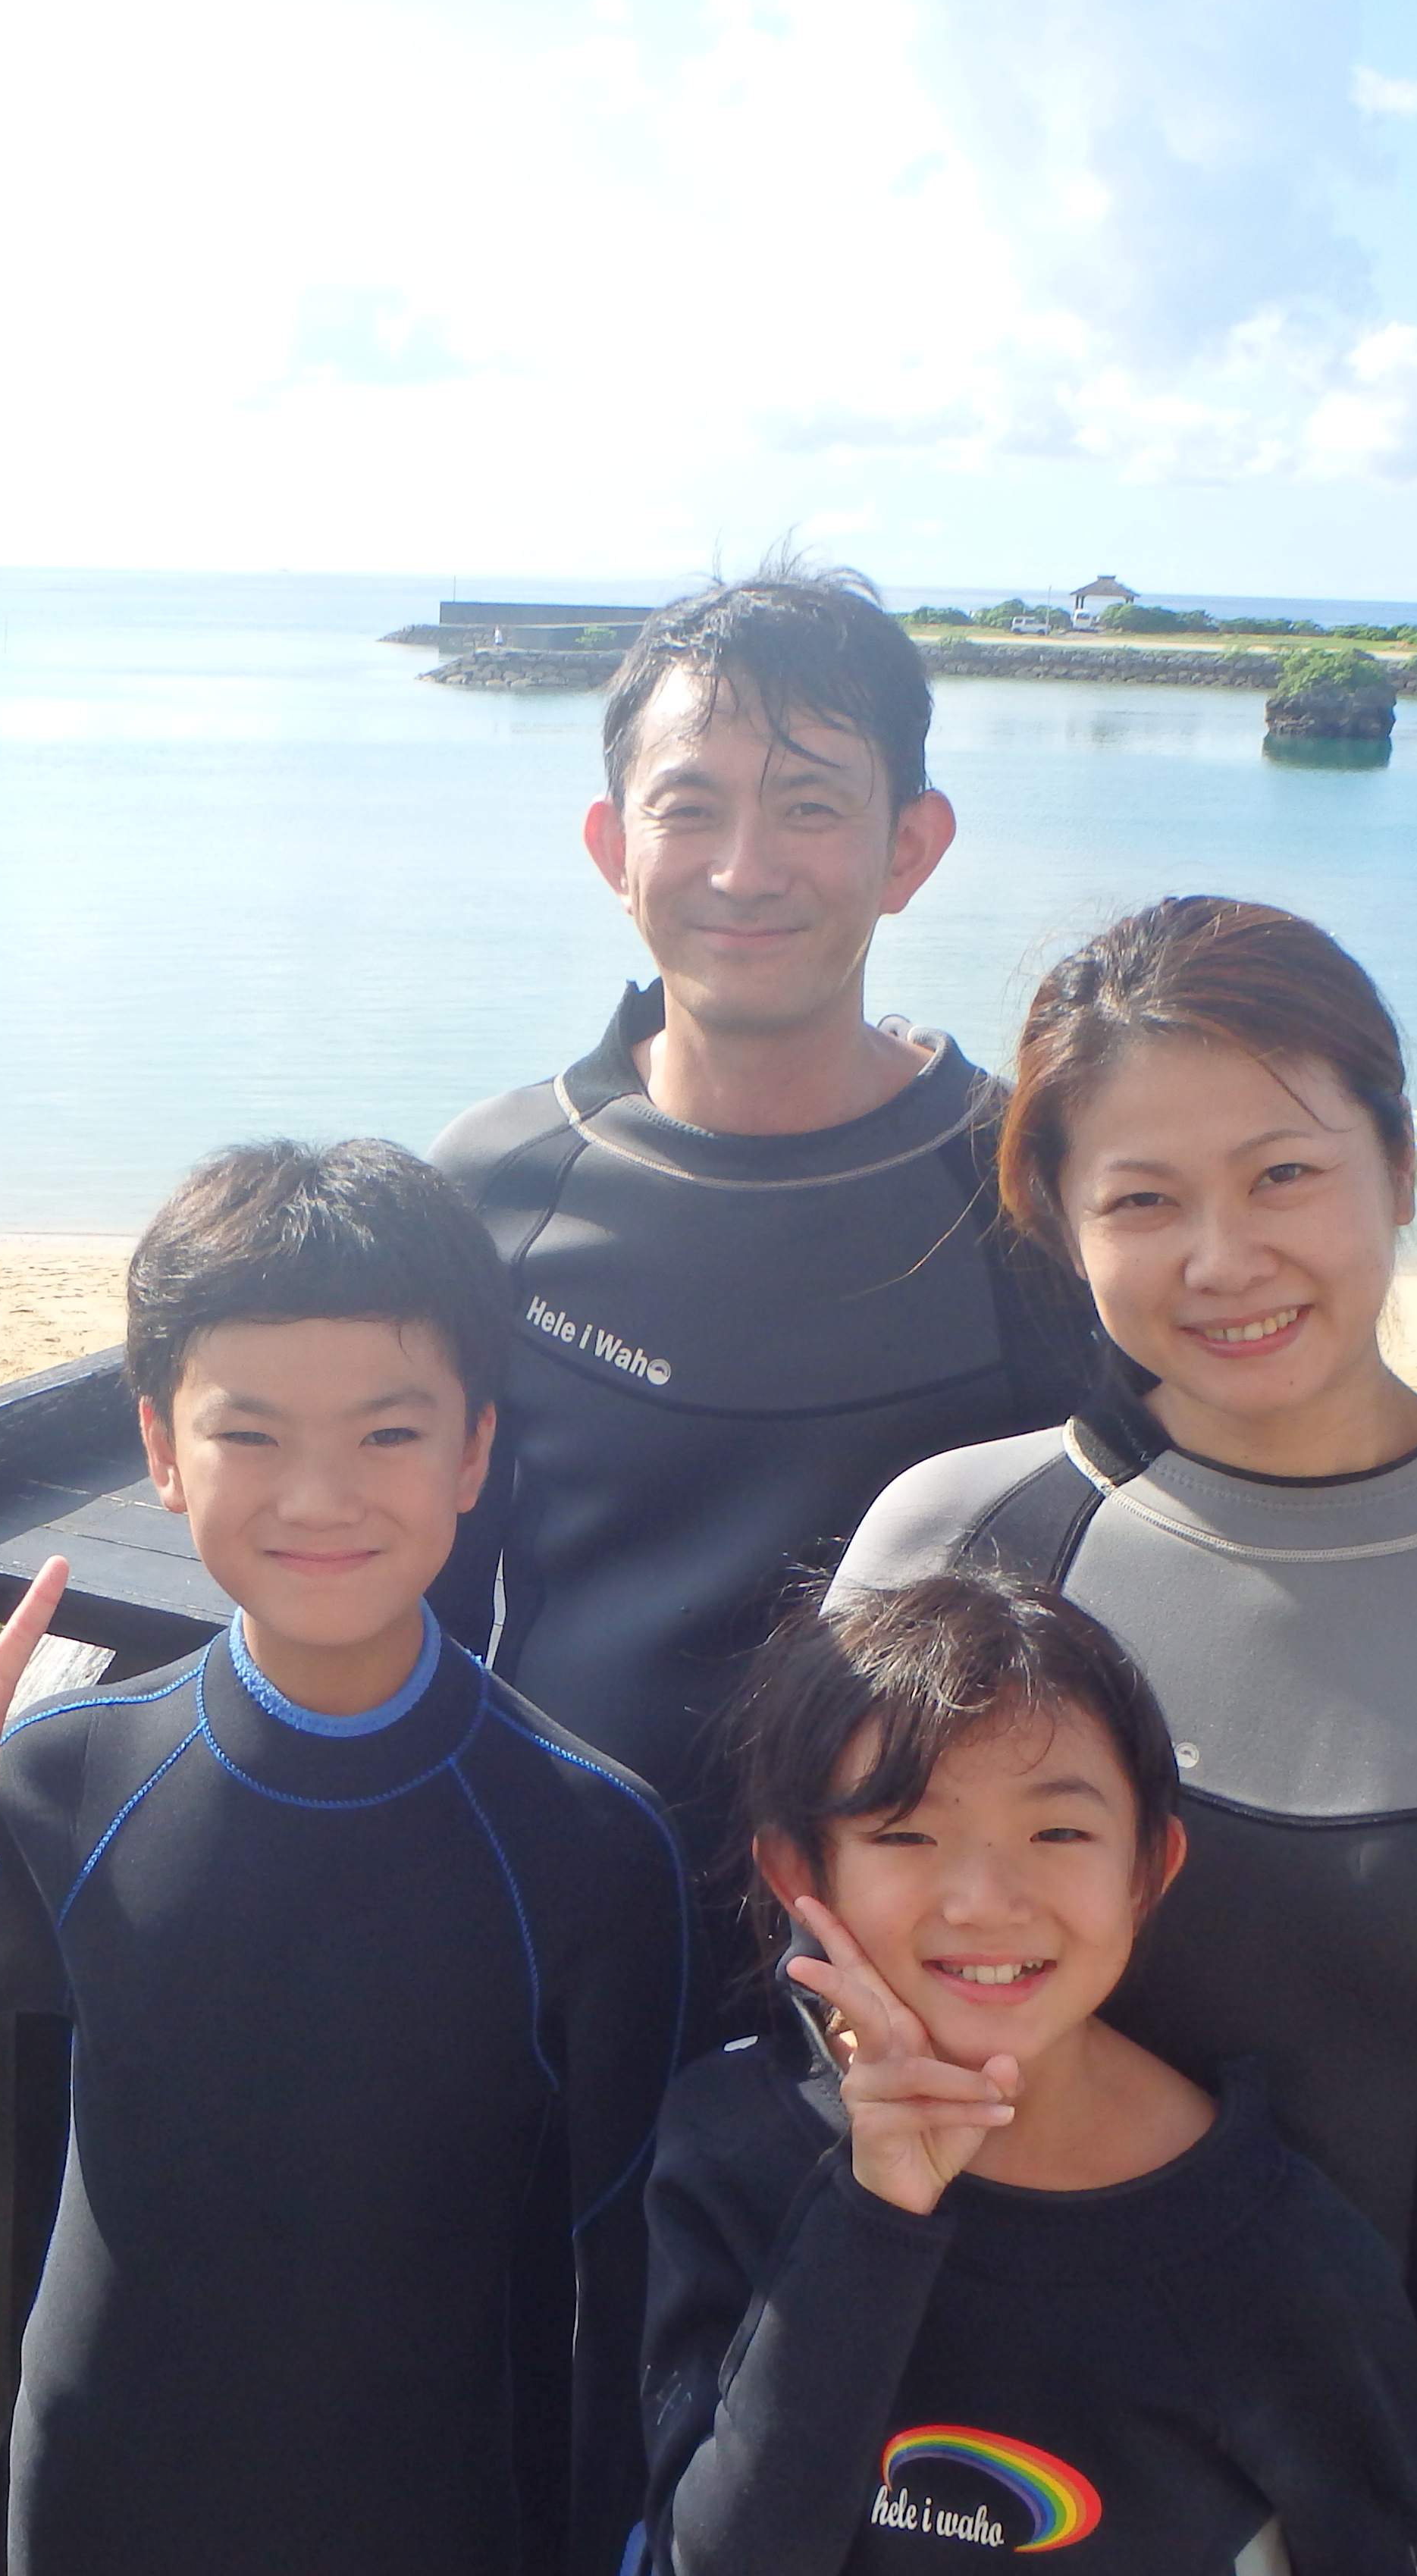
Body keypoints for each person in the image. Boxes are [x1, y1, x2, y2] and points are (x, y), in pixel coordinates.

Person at [832, 896, 1417, 2576]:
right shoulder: (951, 1542)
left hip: (1414, 2489)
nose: (1224, 1259)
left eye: (1283, 1175)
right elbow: (819, 2033)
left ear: (1400, 1170)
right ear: (1062, 1224)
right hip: (966, 2465)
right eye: (1143, 1199)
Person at [0, 1138, 689, 2576]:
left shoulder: (590, 1841)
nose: (319, 1497)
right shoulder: (69, 1780)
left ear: (474, 1451)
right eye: (252, 1436)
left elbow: (625, 2287)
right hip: (102, 2516)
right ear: (161, 1450)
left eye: (388, 1436)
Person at [430, 565, 1099, 1891]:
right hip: (551, 1918)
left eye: (811, 806)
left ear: (910, 848)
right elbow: (407, 1625)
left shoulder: (1031, 1191)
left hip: (924, 1948)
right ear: (613, 850)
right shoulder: (497, 1183)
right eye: (689, 809)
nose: (744, 870)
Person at [642, 1571, 1417, 2576]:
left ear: (1149, 1870)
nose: (985, 1900)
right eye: (906, 1832)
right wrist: (875, 2214)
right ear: (801, 1877)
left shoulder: (1281, 2252)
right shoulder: (729, 2153)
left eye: (1058, 1832)